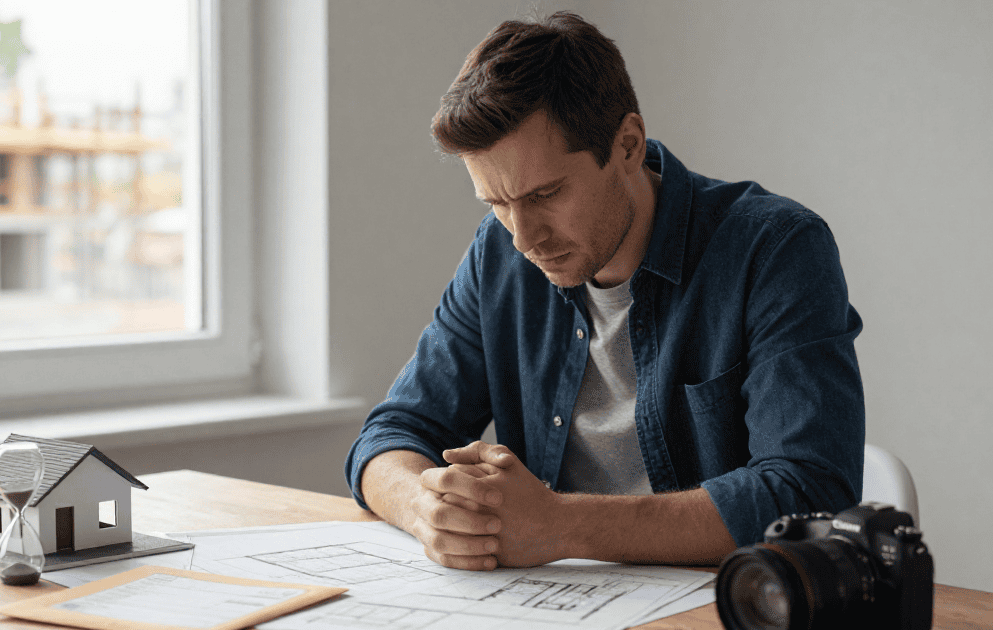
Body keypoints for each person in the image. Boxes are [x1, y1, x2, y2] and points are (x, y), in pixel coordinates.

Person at [344, 11, 864, 571]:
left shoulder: (774, 249)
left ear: (628, 146)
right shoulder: (498, 256)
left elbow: (809, 492)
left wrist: (556, 525)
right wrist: (424, 507)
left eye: (546, 193)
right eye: (496, 203)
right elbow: (394, 432)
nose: (523, 238)